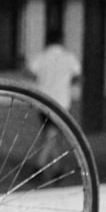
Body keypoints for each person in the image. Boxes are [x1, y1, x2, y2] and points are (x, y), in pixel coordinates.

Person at [27, 34, 81, 181]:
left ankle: (57, 170)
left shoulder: (42, 57)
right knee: (53, 134)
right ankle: (39, 166)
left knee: (51, 134)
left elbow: (31, 72)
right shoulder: (69, 58)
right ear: (61, 41)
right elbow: (77, 76)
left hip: (43, 101)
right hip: (61, 102)